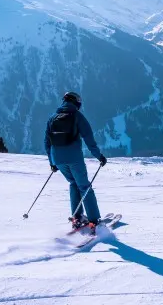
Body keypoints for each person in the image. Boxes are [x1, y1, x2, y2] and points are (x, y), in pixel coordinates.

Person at [45, 92, 107, 233]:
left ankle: (77, 217)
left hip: (58, 160)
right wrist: (99, 156)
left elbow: (46, 142)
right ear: (76, 102)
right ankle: (94, 220)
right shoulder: (77, 117)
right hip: (74, 159)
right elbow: (89, 138)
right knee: (84, 186)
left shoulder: (52, 118)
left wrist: (52, 162)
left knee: (73, 183)